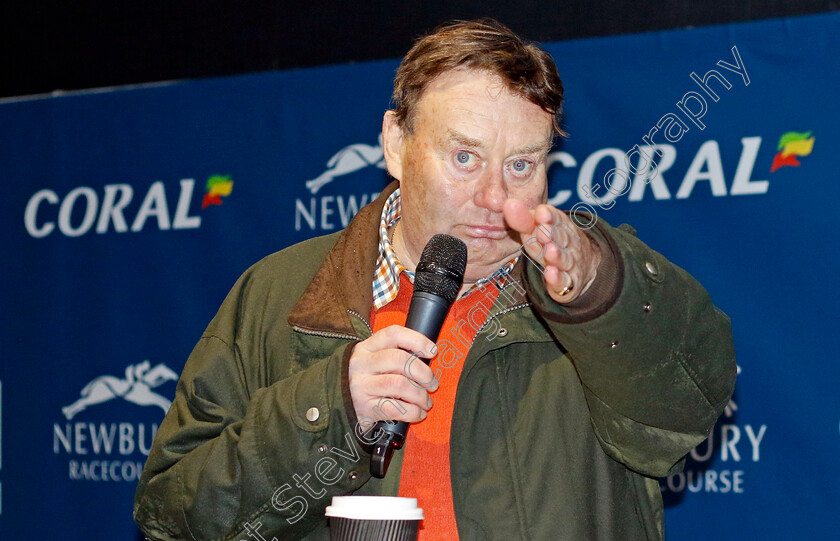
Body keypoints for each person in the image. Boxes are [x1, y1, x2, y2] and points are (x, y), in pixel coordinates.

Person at [134, 19, 736, 541]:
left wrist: (604, 289)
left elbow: (685, 411)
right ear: (396, 144)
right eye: (464, 158)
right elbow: (174, 518)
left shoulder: (588, 289)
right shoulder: (278, 294)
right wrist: (330, 406)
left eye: (522, 164)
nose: (494, 197)